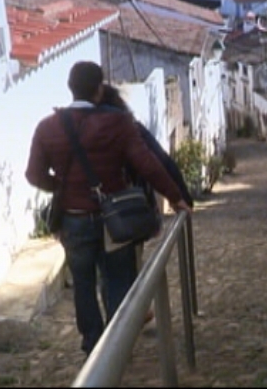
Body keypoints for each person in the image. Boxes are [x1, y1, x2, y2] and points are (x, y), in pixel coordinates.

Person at [25, 61, 192, 357]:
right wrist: (175, 196)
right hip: (114, 219)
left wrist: (63, 187)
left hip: (73, 221)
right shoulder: (117, 122)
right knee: (117, 279)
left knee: (83, 284)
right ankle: (117, 346)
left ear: (71, 88)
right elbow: (148, 164)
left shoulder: (46, 127)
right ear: (99, 89)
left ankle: (92, 345)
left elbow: (34, 176)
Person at [98, 83, 194, 325]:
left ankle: (116, 321)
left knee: (108, 271)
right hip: (128, 209)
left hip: (89, 211)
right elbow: (159, 162)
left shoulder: (78, 130)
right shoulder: (129, 128)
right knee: (128, 264)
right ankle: (125, 321)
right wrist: (181, 197)